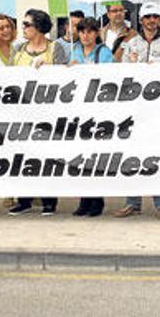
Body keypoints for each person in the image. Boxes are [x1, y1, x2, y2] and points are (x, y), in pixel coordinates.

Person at [115, 3, 160, 220]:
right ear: (141, 20)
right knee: (132, 154)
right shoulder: (131, 44)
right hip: (135, 109)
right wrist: (134, 66)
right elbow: (122, 77)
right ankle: (132, 202)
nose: (152, 20)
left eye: (155, 16)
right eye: (148, 17)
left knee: (159, 155)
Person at [8, 9, 67, 216]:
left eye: (27, 24)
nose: (23, 28)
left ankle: (49, 200)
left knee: (47, 157)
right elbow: (9, 78)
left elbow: (64, 78)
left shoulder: (55, 48)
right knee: (22, 157)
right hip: (22, 113)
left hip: (47, 113)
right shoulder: (18, 50)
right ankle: (23, 199)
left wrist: (49, 70)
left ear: (40, 27)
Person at [69, 17, 114, 217]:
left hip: (98, 109)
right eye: (82, 31)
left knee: (95, 157)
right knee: (81, 158)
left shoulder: (104, 53)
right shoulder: (74, 51)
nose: (85, 35)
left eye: (90, 31)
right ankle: (84, 199)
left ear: (96, 33)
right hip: (80, 110)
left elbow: (108, 77)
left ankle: (97, 201)